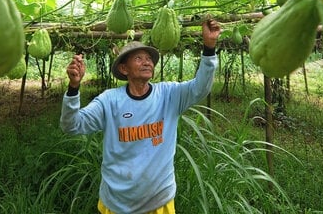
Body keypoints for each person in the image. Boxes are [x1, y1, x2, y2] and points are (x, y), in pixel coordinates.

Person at [60, 19, 221, 214]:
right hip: (118, 203)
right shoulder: (109, 101)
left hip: (159, 201)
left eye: (149, 58)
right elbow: (72, 125)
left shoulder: (169, 95)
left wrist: (210, 48)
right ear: (123, 69)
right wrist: (74, 88)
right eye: (138, 58)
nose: (147, 62)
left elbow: (200, 88)